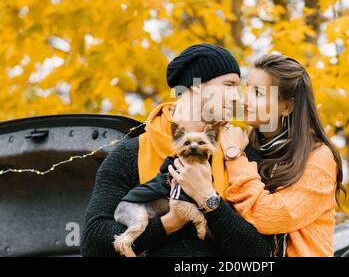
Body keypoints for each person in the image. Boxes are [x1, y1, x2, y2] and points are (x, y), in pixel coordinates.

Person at [80, 44, 276, 257]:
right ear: (196, 85)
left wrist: (208, 199)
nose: (237, 97)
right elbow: (93, 245)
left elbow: (264, 252)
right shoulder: (130, 153)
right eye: (229, 85)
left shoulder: (240, 153)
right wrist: (169, 222)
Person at [169, 54, 346, 257]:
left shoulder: (319, 159)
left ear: (287, 106)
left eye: (258, 93)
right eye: (246, 89)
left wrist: (234, 157)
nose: (244, 100)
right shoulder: (242, 142)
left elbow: (268, 216)